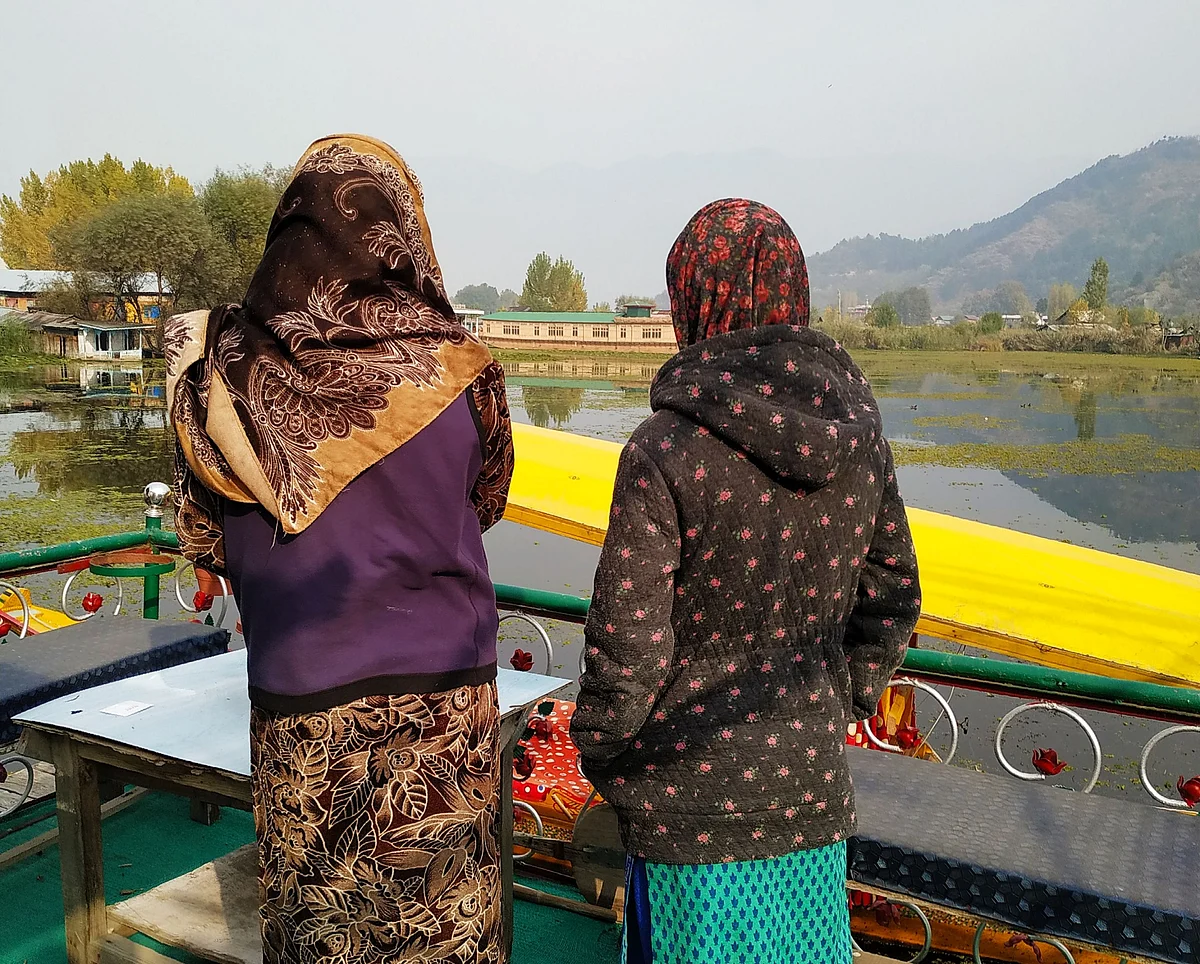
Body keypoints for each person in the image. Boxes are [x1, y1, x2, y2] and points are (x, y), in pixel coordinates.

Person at [166, 134, 514, 964]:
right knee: (444, 923)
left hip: (299, 708)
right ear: (404, 232)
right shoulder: (461, 369)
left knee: (320, 926)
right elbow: (486, 501)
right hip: (443, 706)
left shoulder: (212, 373)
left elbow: (203, 536)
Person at [571, 198, 921, 964]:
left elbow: (626, 645)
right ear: (792, 295)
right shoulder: (860, 441)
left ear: (695, 301)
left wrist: (601, 751)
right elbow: (893, 599)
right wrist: (839, 697)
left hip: (683, 809)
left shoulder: (664, 448)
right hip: (810, 791)